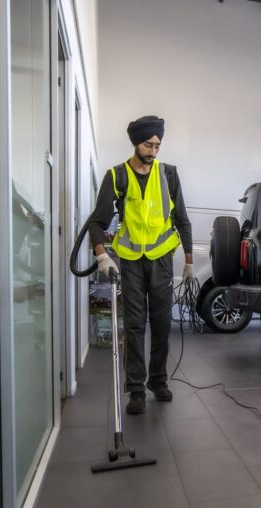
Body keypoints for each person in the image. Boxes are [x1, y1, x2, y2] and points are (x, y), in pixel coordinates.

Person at [88, 115, 193, 415]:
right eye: (149, 145)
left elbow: (182, 219)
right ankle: (136, 389)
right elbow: (97, 222)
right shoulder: (117, 175)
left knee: (161, 323)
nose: (153, 151)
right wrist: (102, 256)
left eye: (158, 146)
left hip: (161, 259)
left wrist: (187, 262)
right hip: (131, 261)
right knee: (134, 325)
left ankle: (158, 380)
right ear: (136, 143)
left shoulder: (170, 175)